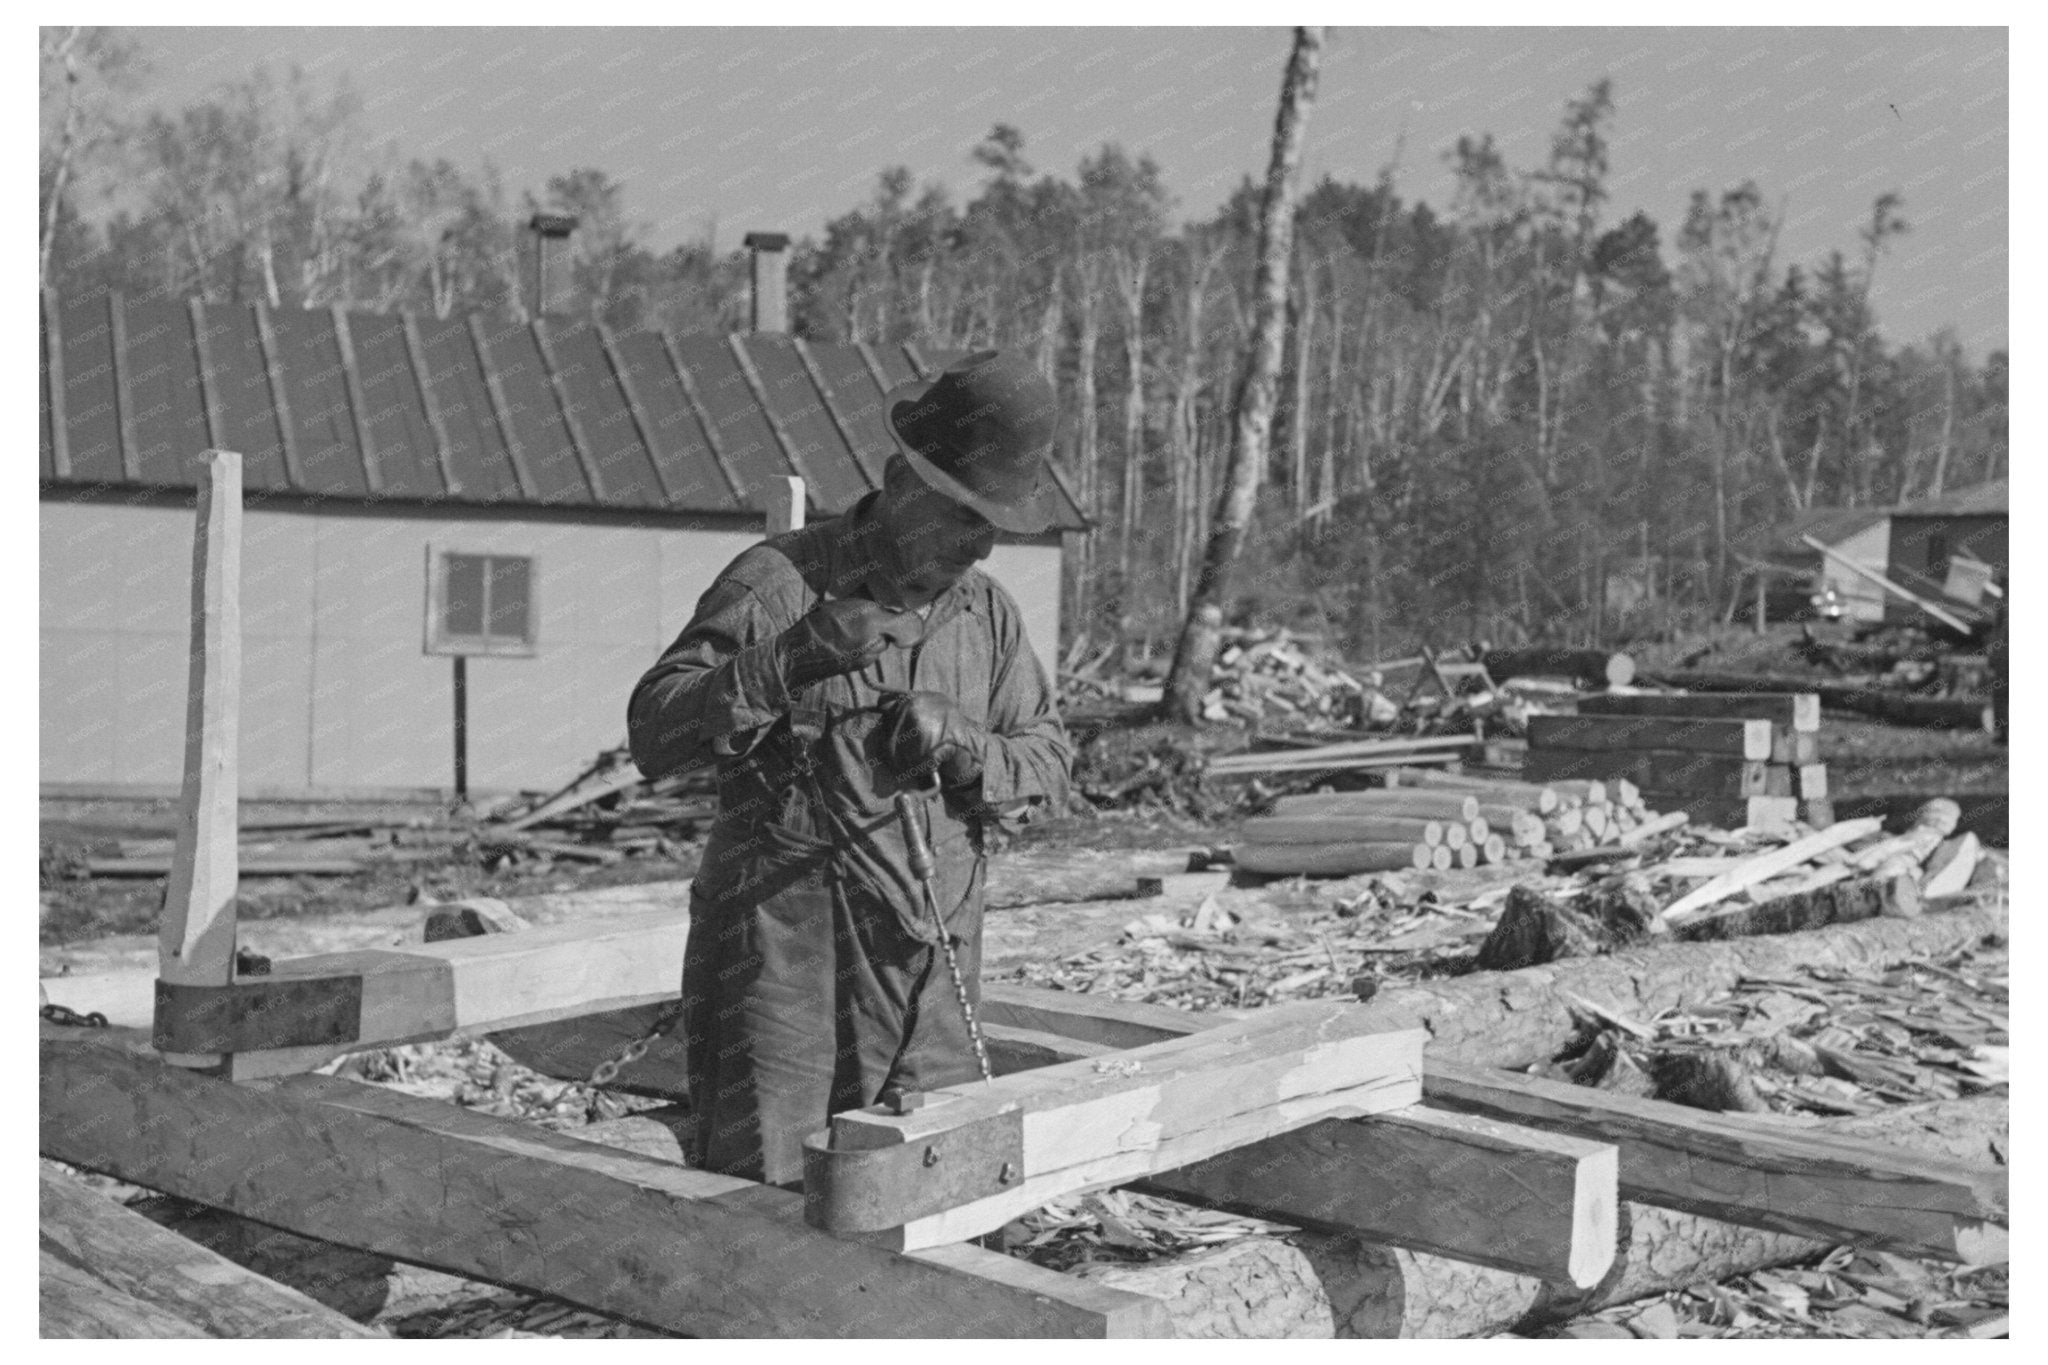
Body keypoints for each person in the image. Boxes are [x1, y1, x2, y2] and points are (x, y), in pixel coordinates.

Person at [627, 350, 1073, 1185]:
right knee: (770, 1206)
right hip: (784, 976)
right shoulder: (780, 584)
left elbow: (1050, 759)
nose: (978, 548)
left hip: (931, 982)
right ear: (900, 477)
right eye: (962, 516)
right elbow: (655, 729)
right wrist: (788, 661)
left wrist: (970, 746)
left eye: (992, 527)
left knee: (935, 1196)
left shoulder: (986, 618)